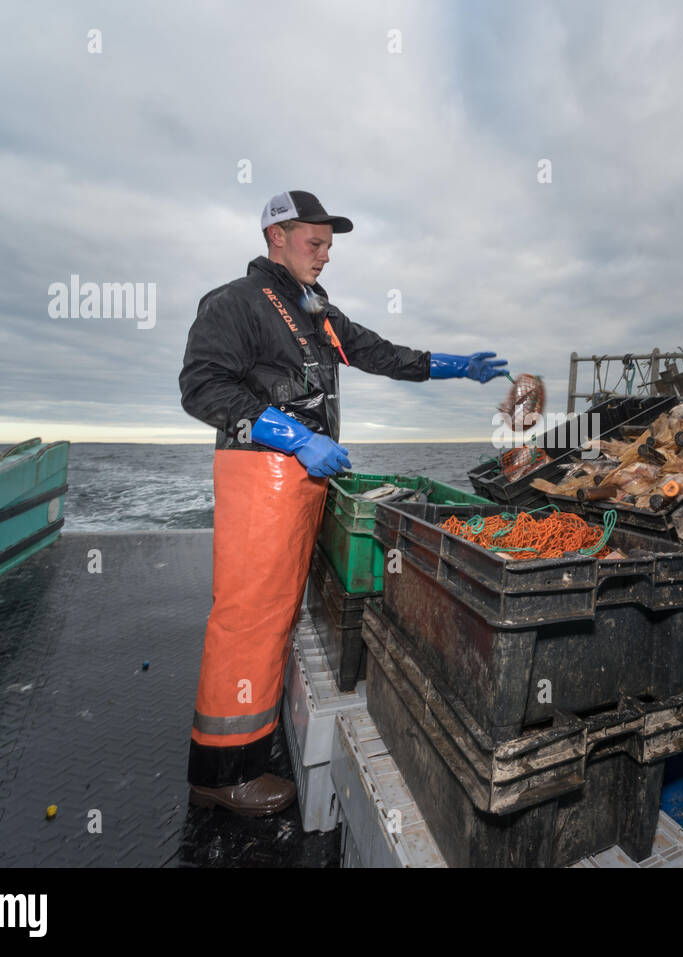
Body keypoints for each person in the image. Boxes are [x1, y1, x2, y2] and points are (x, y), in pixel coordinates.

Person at [178, 189, 506, 816]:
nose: (326, 256)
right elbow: (200, 387)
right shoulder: (235, 302)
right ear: (276, 235)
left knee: (278, 612)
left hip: (300, 483)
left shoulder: (312, 308)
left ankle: (252, 741)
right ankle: (221, 773)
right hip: (260, 476)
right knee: (248, 615)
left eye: (329, 245)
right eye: (315, 242)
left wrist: (454, 365)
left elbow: (379, 353)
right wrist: (292, 434)